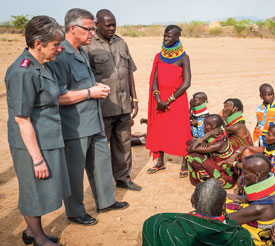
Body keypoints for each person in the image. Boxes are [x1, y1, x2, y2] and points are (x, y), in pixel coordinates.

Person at [48, 8, 128, 226]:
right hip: (75, 126)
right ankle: (75, 211)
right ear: (73, 29)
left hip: (94, 120)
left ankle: (106, 201)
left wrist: (95, 87)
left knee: (101, 163)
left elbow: (81, 83)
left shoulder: (82, 51)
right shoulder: (59, 56)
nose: (93, 33)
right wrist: (89, 93)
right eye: (89, 29)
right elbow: (58, 97)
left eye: (93, 29)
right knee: (74, 171)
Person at [6, 16, 70, 246]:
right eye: (55, 44)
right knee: (33, 190)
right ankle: (40, 239)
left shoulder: (42, 64)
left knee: (43, 189)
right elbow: (22, 119)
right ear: (38, 43)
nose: (59, 49)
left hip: (48, 138)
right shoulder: (23, 72)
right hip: (31, 144)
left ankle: (32, 231)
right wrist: (37, 159)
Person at [83, 9, 141, 191]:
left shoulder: (121, 43)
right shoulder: (88, 46)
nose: (112, 28)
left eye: (114, 24)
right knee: (101, 148)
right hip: (103, 107)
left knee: (123, 144)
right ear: (97, 25)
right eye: (108, 25)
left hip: (124, 105)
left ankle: (123, 178)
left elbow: (129, 72)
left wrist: (135, 98)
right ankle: (103, 186)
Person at [140, 178, 260, 246]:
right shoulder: (238, 236)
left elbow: (155, 221)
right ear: (224, 207)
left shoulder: (157, 226)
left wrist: (186, 217)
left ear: (193, 200)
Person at [146, 25, 192, 175]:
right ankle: (160, 161)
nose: (166, 38)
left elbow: (186, 83)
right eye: (165, 35)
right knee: (160, 129)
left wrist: (170, 99)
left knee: (181, 130)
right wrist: (158, 98)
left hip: (177, 99)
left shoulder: (184, 58)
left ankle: (185, 162)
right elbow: (154, 80)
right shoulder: (159, 56)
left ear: (177, 38)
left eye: (169, 36)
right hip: (160, 99)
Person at [226, 154, 275, 246]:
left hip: (255, 244)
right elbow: (251, 198)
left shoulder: (258, 208)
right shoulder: (272, 185)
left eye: (245, 173)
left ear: (257, 176)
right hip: (264, 232)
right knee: (228, 199)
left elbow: (227, 220)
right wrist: (235, 197)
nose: (242, 176)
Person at [231, 124, 275, 206]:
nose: (265, 136)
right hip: (263, 175)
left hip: (267, 192)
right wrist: (236, 154)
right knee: (247, 154)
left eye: (269, 135)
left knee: (249, 172)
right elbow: (258, 149)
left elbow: (257, 171)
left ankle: (248, 199)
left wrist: (235, 164)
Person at [186, 114, 239, 188]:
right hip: (223, 168)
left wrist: (207, 135)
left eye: (206, 125)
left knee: (193, 156)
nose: (204, 127)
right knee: (196, 147)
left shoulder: (219, 143)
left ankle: (205, 179)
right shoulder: (221, 132)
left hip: (227, 179)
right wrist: (204, 139)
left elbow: (190, 148)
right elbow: (189, 142)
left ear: (214, 128)